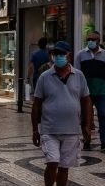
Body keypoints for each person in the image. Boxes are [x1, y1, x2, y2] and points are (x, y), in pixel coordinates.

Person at [32, 41, 92, 186]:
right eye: (55, 54)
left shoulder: (79, 76)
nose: (58, 57)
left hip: (71, 129)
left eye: (61, 54)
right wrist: (35, 129)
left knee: (64, 167)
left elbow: (86, 101)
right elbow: (36, 104)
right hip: (50, 129)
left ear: (68, 56)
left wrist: (87, 125)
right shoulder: (45, 77)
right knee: (52, 162)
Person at [75, 31, 105, 152]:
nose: (90, 41)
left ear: (99, 40)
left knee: (103, 114)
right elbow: (76, 74)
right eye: (89, 39)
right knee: (86, 117)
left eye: (93, 39)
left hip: (101, 90)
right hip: (85, 91)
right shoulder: (81, 55)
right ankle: (87, 140)